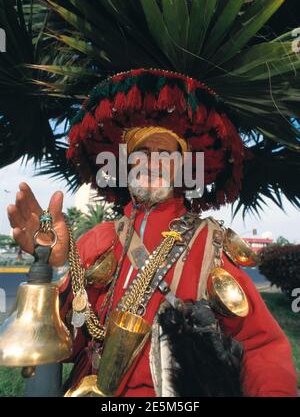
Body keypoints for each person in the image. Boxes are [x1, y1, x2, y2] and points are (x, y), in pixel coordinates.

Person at [7, 69, 298, 397]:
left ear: (183, 168)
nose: (153, 163)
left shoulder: (211, 244)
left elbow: (261, 347)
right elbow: (66, 346)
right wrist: (50, 264)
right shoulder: (95, 240)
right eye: (142, 153)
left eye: (166, 155)